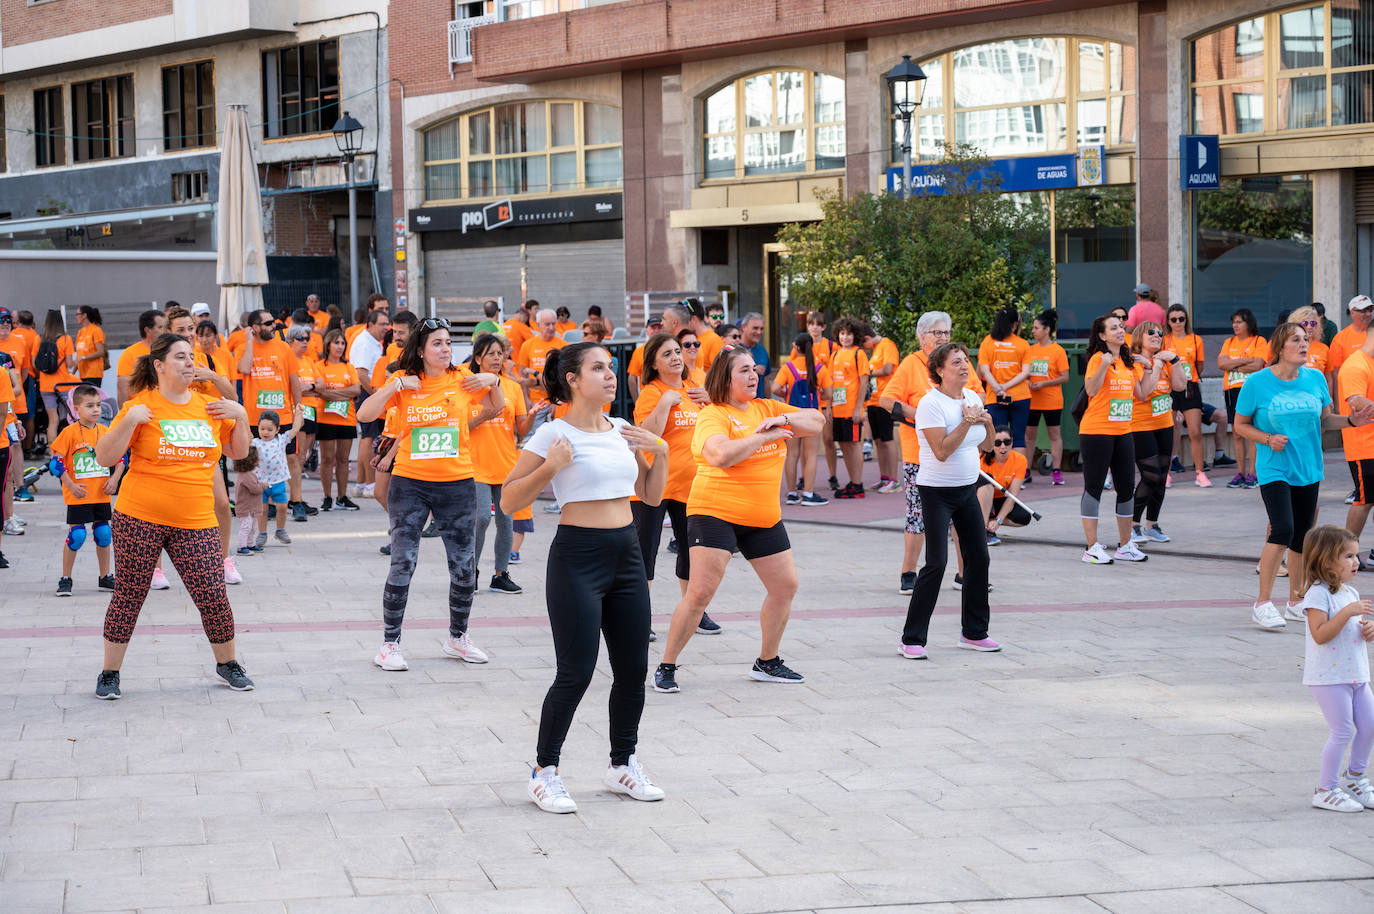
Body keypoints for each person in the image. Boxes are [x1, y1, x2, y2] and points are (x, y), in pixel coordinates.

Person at [500, 343, 669, 813]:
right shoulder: (551, 434)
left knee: (634, 668)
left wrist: (663, 453)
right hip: (578, 557)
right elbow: (511, 501)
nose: (610, 375)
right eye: (598, 368)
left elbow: (651, 498)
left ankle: (622, 764)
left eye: (610, 368)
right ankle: (544, 771)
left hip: (627, 554)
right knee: (575, 672)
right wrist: (552, 467)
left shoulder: (620, 430)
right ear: (573, 379)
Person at [652, 345, 824, 693]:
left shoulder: (768, 408)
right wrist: (761, 437)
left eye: (753, 369)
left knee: (785, 586)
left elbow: (817, 421)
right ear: (725, 379)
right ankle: (667, 664)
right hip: (715, 511)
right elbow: (718, 454)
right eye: (743, 371)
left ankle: (767, 662)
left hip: (762, 516)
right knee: (700, 593)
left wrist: (784, 420)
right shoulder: (713, 414)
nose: (753, 375)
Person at [94, 333, 254, 700]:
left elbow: (238, 451)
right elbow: (104, 457)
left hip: (196, 520)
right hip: (139, 517)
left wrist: (241, 415)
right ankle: (109, 673)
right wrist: (129, 421)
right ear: (159, 365)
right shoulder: (141, 406)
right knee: (128, 596)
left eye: (192, 356)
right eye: (180, 357)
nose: (189, 362)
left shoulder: (210, 406)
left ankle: (227, 664)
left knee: (213, 594)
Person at [356, 316, 502, 672]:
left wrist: (493, 381)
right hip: (410, 485)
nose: (445, 349)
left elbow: (495, 408)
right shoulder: (404, 383)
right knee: (403, 562)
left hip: (458, 484)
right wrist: (393, 388)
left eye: (449, 343)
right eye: (437, 343)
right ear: (420, 350)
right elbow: (365, 412)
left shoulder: (461, 380)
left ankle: (458, 637)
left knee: (464, 566)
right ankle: (389, 644)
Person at [1238, 322, 1364, 631]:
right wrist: (1267, 439)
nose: (1304, 344)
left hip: (1308, 467)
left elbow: (1325, 420)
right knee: (1282, 529)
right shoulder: (1257, 383)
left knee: (1302, 536)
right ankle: (1263, 603)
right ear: (1280, 347)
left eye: (1306, 339)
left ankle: (1296, 601)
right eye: (1296, 339)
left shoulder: (1316, 378)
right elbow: (1240, 425)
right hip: (1274, 466)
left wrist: (1351, 420)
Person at [898, 341, 1001, 658]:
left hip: (966, 488)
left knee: (979, 558)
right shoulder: (932, 404)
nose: (964, 365)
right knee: (937, 563)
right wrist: (968, 422)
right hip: (936, 491)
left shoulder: (972, 396)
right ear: (940, 370)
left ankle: (973, 632)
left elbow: (987, 447)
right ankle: (912, 639)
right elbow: (941, 452)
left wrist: (985, 421)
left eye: (966, 360)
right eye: (956, 362)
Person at [880, 312, 983, 595]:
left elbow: (979, 393)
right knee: (918, 516)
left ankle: (965, 574)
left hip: (960, 452)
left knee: (962, 519)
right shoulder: (911, 364)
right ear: (922, 336)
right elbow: (886, 400)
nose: (944, 338)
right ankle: (909, 572)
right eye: (938, 334)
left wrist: (970, 409)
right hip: (920, 455)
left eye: (947, 333)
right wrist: (922, 416)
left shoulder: (958, 360)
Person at [633, 332, 719, 629]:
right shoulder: (651, 392)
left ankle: (693, 612)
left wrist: (711, 402)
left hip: (691, 485)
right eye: (667, 354)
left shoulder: (696, 388)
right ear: (654, 364)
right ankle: (640, 618)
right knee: (645, 552)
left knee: (691, 550)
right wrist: (665, 404)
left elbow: (717, 424)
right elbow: (646, 437)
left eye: (677, 351)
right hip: (655, 484)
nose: (676, 357)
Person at [1295, 525, 1374, 812]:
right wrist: (1347, 613)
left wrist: (1367, 629)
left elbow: (1349, 630)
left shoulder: (1350, 592)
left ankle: (1354, 778)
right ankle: (1325, 789)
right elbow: (1320, 634)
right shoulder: (1318, 595)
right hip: (1329, 678)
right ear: (1327, 561)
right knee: (1342, 731)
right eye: (1348, 556)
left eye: (1356, 555)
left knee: (1369, 726)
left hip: (1357, 675)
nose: (1356, 561)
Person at [1079, 313, 1160, 565]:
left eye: (1121, 327)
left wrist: (1149, 368)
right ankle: (1091, 547)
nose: (1119, 330)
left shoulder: (1128, 363)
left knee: (1126, 488)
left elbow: (1143, 394)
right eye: (1113, 328)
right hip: (1096, 432)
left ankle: (1125, 545)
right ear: (1102, 335)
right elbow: (1091, 390)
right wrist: (1104, 364)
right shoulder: (1096, 359)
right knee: (1094, 488)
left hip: (1124, 432)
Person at [465, 333, 529, 595]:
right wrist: (485, 415)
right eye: (490, 353)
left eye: (500, 353)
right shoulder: (467, 387)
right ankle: (471, 571)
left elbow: (521, 429)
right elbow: (459, 426)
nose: (496, 358)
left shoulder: (513, 388)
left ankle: (500, 575)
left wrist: (533, 416)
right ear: (478, 358)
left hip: (506, 466)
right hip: (475, 465)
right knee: (481, 517)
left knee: (506, 520)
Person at [49, 385, 124, 596]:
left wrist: (114, 479)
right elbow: (56, 464)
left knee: (104, 533)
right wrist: (70, 485)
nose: (96, 410)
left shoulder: (105, 432)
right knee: (77, 535)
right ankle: (66, 578)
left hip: (101, 495)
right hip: (78, 496)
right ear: (75, 409)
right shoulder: (68, 433)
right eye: (89, 406)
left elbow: (121, 459)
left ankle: (105, 577)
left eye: (98, 405)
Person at [1128, 321, 1187, 544]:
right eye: (1150, 332)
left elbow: (1180, 386)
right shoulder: (1135, 361)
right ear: (1139, 337)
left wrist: (1174, 360)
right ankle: (1133, 525)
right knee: (1150, 475)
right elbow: (1145, 392)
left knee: (1162, 476)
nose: (1156, 335)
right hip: (1140, 425)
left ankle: (1152, 525)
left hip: (1164, 424)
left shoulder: (1166, 358)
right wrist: (1158, 364)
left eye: (1160, 333)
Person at [1164, 304, 1227, 487]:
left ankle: (1200, 473)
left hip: (1190, 387)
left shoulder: (1195, 339)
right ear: (1168, 322)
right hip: (1170, 388)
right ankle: (1167, 474)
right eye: (1173, 319)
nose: (1177, 323)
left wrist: (1188, 377)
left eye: (1181, 319)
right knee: (1170, 431)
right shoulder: (1165, 340)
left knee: (1195, 432)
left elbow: (1199, 366)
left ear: (1186, 320)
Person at [772, 334, 830, 507]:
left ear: (796, 347)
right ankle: (808, 493)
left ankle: (791, 493)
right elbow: (829, 393)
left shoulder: (788, 367)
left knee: (792, 455)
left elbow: (775, 388)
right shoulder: (820, 368)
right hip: (811, 416)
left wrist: (786, 395)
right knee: (810, 455)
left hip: (792, 415)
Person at [310, 328, 361, 512]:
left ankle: (342, 496)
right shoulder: (319, 366)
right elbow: (320, 391)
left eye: (342, 343)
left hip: (347, 418)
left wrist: (333, 394)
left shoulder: (349, 367)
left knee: (343, 459)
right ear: (328, 344)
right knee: (327, 459)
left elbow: (356, 390)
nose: (340, 346)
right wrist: (342, 394)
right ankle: (327, 497)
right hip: (326, 417)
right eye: (336, 343)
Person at [1218, 308, 1269, 488]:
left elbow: (1257, 364)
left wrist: (1233, 364)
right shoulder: (1228, 342)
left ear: (1249, 323)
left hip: (1251, 390)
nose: (1235, 325)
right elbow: (1221, 363)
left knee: (1251, 433)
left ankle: (1252, 474)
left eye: (1239, 322)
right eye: (1234, 322)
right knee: (1238, 433)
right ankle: (1240, 472)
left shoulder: (1258, 341)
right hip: (1232, 391)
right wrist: (1244, 361)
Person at [977, 307, 1033, 459]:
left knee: (996, 436)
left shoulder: (987, 342)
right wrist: (1006, 387)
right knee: (1019, 437)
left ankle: (998, 475)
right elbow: (1026, 372)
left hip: (994, 397)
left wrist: (997, 388)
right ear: (1014, 325)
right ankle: (1019, 477)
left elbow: (984, 370)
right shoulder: (1022, 344)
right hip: (1020, 396)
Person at [349, 310, 391, 498]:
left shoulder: (373, 342)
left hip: (372, 393)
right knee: (369, 438)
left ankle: (361, 483)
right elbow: (361, 373)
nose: (386, 328)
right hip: (369, 393)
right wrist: (376, 395)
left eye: (386, 324)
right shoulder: (365, 342)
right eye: (382, 324)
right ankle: (369, 483)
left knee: (368, 437)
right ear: (370, 324)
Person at [1025, 309, 1068, 485]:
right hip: (1032, 400)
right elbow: (1024, 372)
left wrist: (1044, 384)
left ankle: (1056, 471)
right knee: (1029, 436)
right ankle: (1026, 471)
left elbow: (1065, 377)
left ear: (1046, 329)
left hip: (1052, 400)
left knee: (1054, 435)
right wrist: (1027, 381)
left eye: (1036, 328)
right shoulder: (1029, 349)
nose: (1033, 331)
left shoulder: (1057, 351)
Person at [828, 317, 870, 499]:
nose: (845, 337)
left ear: (855, 335)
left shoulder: (858, 354)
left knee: (854, 446)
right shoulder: (835, 354)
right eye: (842, 333)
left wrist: (858, 408)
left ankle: (858, 485)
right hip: (837, 409)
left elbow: (864, 382)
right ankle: (853, 482)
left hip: (852, 410)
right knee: (844, 446)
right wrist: (829, 408)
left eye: (849, 334)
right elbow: (831, 383)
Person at [251, 410, 303, 547]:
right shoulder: (254, 443)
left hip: (278, 480)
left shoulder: (281, 440)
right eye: (262, 429)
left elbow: (295, 428)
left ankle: (280, 530)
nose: (265, 432)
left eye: (269, 429)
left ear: (277, 429)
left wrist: (298, 414)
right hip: (260, 482)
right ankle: (262, 533)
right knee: (262, 510)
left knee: (282, 506)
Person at [977, 426, 1032, 545]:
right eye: (997, 443)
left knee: (1023, 517)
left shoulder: (1020, 460)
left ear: (1012, 442)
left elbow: (1012, 495)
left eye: (1007, 442)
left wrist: (998, 521)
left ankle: (988, 523)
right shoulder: (981, 459)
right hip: (981, 499)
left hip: (1001, 498)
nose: (1003, 447)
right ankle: (982, 531)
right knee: (988, 479)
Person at [862, 325, 900, 493]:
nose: (864, 348)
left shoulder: (887, 345)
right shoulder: (876, 348)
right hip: (873, 401)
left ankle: (893, 480)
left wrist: (868, 372)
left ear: (867, 338)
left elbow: (888, 369)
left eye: (864, 344)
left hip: (885, 399)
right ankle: (884, 478)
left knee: (887, 440)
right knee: (878, 441)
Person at [35, 309, 79, 448]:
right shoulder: (66, 339)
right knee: (68, 418)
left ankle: (53, 452)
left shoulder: (40, 339)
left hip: (46, 385)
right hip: (63, 384)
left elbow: (35, 363)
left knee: (52, 420)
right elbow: (70, 364)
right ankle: (70, 448)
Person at [517, 309, 568, 418]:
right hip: (536, 401)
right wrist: (526, 400)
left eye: (553, 324)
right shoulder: (528, 345)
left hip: (558, 402)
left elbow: (565, 377)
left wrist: (557, 400)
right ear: (538, 325)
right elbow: (522, 375)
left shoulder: (563, 346)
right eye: (547, 324)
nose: (551, 327)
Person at [628, 307, 687, 399]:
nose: (656, 331)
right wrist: (636, 400)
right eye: (653, 328)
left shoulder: (673, 344)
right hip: (651, 396)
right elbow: (632, 379)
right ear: (646, 330)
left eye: (659, 327)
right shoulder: (639, 351)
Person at [116, 310, 167, 405]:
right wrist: (125, 414)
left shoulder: (169, 350)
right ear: (147, 330)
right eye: (160, 327)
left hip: (166, 408)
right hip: (140, 410)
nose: (165, 330)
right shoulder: (130, 353)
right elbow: (122, 387)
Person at [232, 449, 266, 557]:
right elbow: (255, 489)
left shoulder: (247, 474)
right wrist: (264, 485)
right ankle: (242, 547)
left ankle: (250, 544)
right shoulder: (246, 475)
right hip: (246, 508)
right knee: (246, 527)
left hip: (250, 508)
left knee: (252, 527)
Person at [682, 299, 724, 372]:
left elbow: (720, 372)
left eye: (683, 319)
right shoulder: (690, 338)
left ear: (693, 319)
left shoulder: (714, 340)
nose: (681, 323)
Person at [74, 306, 107, 387]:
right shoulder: (80, 332)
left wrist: (84, 358)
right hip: (82, 373)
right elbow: (79, 356)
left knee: (91, 398)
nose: (76, 317)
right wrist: (73, 372)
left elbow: (100, 352)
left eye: (77, 314)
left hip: (93, 373)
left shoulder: (96, 330)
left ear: (84, 315)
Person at [741, 312, 769, 378]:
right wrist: (754, 369)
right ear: (744, 327)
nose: (759, 332)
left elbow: (766, 380)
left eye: (761, 329)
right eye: (755, 328)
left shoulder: (763, 351)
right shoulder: (734, 349)